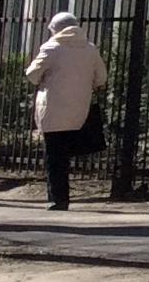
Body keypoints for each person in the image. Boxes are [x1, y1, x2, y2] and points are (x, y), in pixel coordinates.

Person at [26, 11, 108, 211]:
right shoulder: (90, 49)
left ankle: (58, 198)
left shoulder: (51, 47)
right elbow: (101, 78)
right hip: (80, 108)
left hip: (53, 109)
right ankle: (61, 196)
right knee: (68, 152)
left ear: (56, 29)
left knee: (55, 156)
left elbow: (32, 75)